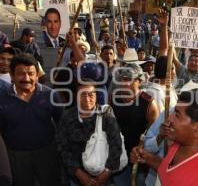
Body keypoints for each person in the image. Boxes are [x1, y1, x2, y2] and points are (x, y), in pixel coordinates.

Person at [131, 89, 198, 186]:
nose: (169, 119)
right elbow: (173, 171)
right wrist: (148, 158)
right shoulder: (181, 143)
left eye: (177, 114)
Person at [0, 53, 63, 186]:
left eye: (31, 73)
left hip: (47, 154)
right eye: (21, 74)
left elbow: (61, 123)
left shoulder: (50, 95)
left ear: (37, 75)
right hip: (15, 156)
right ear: (11, 75)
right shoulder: (2, 98)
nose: (27, 78)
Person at [57, 82, 123, 186]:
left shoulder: (106, 116)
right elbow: (62, 147)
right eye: (83, 95)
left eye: (91, 95)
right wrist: (79, 174)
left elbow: (116, 145)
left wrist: (106, 173)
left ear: (96, 96)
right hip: (75, 178)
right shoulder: (67, 116)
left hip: (103, 178)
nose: (87, 99)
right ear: (76, 96)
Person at [110, 63, 159, 186]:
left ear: (139, 81)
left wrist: (142, 154)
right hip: (117, 158)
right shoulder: (113, 98)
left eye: (129, 80)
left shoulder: (149, 104)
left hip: (139, 161)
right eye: (122, 79)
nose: (125, 84)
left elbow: (154, 136)